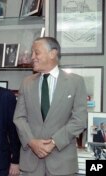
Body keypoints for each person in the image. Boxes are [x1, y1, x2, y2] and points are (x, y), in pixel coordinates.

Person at [13, 37, 88, 175]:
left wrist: (54, 142)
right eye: (32, 53)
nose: (32, 57)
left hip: (62, 163)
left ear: (53, 53)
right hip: (31, 163)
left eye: (36, 53)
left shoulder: (76, 82)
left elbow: (79, 120)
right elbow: (19, 117)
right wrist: (32, 142)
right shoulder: (26, 83)